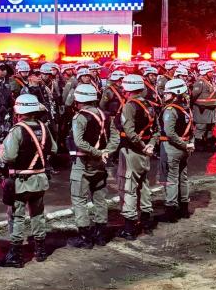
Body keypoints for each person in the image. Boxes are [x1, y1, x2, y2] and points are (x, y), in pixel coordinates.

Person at [0, 94, 57, 267]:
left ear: (19, 111)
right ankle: (40, 250)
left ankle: (16, 255)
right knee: (37, 214)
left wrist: (1, 151)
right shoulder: (43, 127)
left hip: (21, 181)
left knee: (17, 215)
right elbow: (53, 148)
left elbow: (9, 156)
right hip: (39, 178)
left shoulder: (18, 130)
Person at [68, 84, 119, 248]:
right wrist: (106, 152)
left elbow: (79, 142)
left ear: (79, 100)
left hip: (83, 163)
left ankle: (85, 237)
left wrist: (97, 152)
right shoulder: (105, 115)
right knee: (100, 198)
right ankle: (100, 235)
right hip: (100, 163)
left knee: (79, 199)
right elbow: (115, 138)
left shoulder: (80, 117)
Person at [116, 74, 159, 240]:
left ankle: (129, 228)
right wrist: (151, 146)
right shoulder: (149, 104)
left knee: (129, 187)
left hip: (132, 151)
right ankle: (147, 221)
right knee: (144, 185)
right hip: (145, 151)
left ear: (127, 89)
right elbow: (156, 130)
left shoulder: (129, 106)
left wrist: (142, 146)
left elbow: (129, 132)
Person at [159, 79, 195, 222]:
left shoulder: (170, 110)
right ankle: (184, 208)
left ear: (175, 93)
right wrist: (189, 144)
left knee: (171, 179)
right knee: (183, 178)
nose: (165, 95)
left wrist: (183, 145)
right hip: (185, 148)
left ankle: (171, 211)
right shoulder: (186, 108)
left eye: (168, 92)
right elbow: (192, 129)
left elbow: (169, 133)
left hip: (172, 148)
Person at [191, 62, 216, 151]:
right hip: (202, 109)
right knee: (201, 127)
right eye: (210, 72)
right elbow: (193, 96)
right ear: (205, 73)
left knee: (210, 126)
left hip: (211, 109)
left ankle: (208, 142)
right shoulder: (200, 82)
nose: (212, 73)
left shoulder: (210, 81)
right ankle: (198, 143)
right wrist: (196, 105)